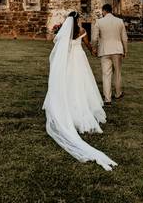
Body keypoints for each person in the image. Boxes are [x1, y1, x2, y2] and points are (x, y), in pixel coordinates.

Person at [42, 11, 117, 171]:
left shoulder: (65, 32)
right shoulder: (82, 31)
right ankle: (84, 108)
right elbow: (88, 44)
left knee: (70, 83)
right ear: (77, 20)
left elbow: (59, 45)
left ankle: (68, 107)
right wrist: (92, 51)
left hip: (69, 61)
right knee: (83, 84)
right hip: (80, 59)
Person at [91, 4, 128, 106]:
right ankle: (118, 93)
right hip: (117, 50)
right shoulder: (119, 21)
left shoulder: (99, 22)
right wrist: (126, 50)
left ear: (104, 11)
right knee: (117, 73)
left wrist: (94, 48)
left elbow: (94, 38)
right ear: (111, 11)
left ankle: (107, 99)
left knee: (106, 74)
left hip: (104, 51)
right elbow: (124, 38)